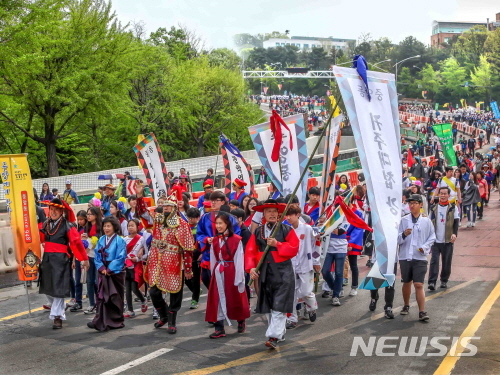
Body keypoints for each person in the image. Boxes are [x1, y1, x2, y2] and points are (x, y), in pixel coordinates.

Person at [245, 199, 299, 349]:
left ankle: (273, 336)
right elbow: (251, 251)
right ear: (263, 213)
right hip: (264, 271)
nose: (272, 214)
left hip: (283, 271)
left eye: (275, 211)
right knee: (268, 305)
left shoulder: (286, 229)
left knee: (278, 304)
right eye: (269, 211)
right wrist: (251, 268)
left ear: (279, 213)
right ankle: (278, 333)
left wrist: (278, 244)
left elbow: (294, 248)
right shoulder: (257, 231)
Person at [146, 189, 195, 334]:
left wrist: (188, 269)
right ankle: (163, 315)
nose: (166, 207)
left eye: (169, 205)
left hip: (175, 262)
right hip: (158, 262)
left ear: (175, 207)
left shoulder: (182, 224)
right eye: (164, 205)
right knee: (154, 291)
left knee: (175, 292)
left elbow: (187, 249)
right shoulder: (158, 221)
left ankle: (172, 321)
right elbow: (143, 214)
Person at [38, 198, 89, 329]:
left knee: (58, 289)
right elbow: (39, 239)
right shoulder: (45, 224)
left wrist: (84, 259)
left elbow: (76, 243)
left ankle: (57, 317)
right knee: (47, 288)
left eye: (56, 210)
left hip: (61, 260)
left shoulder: (68, 225)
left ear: (62, 211)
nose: (53, 212)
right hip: (47, 259)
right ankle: (57, 310)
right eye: (52, 209)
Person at [206, 213, 250, 338]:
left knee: (234, 297)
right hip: (218, 272)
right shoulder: (214, 240)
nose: (218, 226)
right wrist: (213, 274)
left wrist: (239, 277)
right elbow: (213, 259)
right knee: (217, 298)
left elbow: (239, 259)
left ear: (227, 224)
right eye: (217, 223)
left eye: (221, 223)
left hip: (231, 271)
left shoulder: (236, 240)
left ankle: (240, 319)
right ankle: (219, 327)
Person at [397, 194, 436, 321]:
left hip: (420, 257)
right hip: (405, 257)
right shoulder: (403, 220)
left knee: (419, 284)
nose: (411, 205)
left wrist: (424, 247)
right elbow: (396, 239)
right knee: (406, 282)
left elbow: (432, 237)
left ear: (420, 205)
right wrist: (403, 234)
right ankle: (406, 305)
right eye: (410, 203)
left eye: (414, 203)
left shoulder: (426, 221)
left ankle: (422, 311)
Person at [87, 217, 127, 331]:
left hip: (114, 272)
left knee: (115, 297)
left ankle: (116, 321)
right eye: (105, 226)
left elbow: (121, 257)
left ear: (114, 227)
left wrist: (110, 269)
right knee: (102, 296)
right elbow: (97, 256)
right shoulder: (101, 239)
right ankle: (99, 320)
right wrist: (102, 268)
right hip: (103, 270)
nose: (106, 228)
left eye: (109, 226)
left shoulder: (120, 240)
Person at [284, 204, 320, 330]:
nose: (288, 218)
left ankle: (312, 307)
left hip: (306, 264)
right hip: (290, 265)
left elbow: (317, 244)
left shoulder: (308, 229)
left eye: (290, 215)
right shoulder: (286, 229)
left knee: (305, 292)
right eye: (286, 215)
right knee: (290, 293)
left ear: (298, 215)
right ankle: (292, 319)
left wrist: (316, 261)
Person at [197, 191, 241, 289]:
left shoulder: (230, 218)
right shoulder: (205, 217)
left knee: (224, 283)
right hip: (208, 253)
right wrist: (207, 239)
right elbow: (199, 233)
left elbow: (236, 234)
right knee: (206, 279)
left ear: (223, 202)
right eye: (211, 200)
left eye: (216, 200)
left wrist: (222, 239)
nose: (213, 203)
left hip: (225, 254)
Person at [428, 187, 459, 290]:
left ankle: (444, 280)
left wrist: (454, 234)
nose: (443, 195)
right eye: (441, 193)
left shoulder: (453, 208)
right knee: (434, 261)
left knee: (446, 261)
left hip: (448, 240)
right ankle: (432, 282)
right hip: (436, 240)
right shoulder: (433, 208)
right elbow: (429, 223)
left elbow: (456, 222)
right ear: (438, 195)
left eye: (445, 194)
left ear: (449, 195)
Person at [123, 219, 148, 318]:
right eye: (129, 226)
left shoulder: (141, 239)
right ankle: (130, 310)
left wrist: (137, 258)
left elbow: (146, 254)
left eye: (132, 225)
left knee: (134, 288)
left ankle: (143, 300)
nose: (130, 227)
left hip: (136, 267)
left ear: (138, 227)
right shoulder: (124, 239)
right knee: (127, 289)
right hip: (126, 266)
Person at [82, 206, 102, 315]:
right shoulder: (87, 227)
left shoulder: (100, 227)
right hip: (89, 256)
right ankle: (91, 303)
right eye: (87, 214)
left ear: (96, 215)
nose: (88, 216)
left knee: (97, 281)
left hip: (98, 257)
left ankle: (99, 302)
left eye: (90, 214)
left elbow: (99, 241)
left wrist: (91, 244)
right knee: (89, 281)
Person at [185, 207, 202, 309]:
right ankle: (196, 291)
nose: (191, 220)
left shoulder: (201, 228)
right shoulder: (185, 228)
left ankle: (194, 299)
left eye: (193, 218)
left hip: (197, 257)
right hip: (187, 257)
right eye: (189, 218)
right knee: (187, 280)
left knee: (195, 279)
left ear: (198, 218)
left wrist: (202, 253)